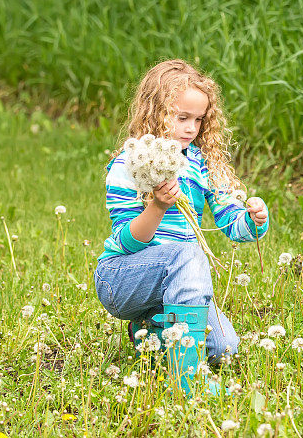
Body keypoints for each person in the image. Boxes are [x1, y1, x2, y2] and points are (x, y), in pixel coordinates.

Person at [94, 59, 268, 394]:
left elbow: (231, 223)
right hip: (122, 277)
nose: (191, 128)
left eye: (199, 119)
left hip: (179, 280)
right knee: (187, 254)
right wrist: (158, 206)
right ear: (156, 113)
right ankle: (187, 382)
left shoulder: (201, 164)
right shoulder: (129, 164)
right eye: (181, 117)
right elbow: (128, 239)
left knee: (224, 348)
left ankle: (150, 329)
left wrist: (253, 218)